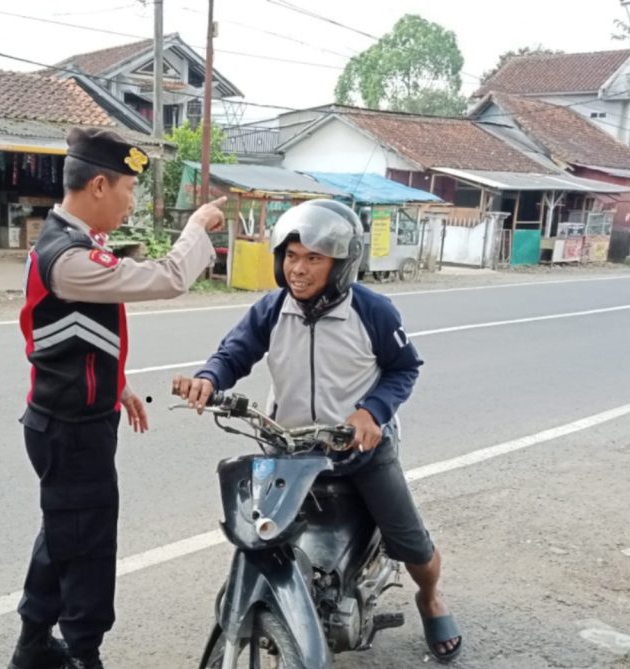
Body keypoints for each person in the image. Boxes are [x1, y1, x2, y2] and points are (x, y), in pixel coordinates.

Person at [172, 200, 462, 664]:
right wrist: (208, 379)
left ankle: (430, 598)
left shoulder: (373, 312)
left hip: (360, 452)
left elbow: (404, 369)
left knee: (411, 544)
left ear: (342, 264)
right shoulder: (271, 309)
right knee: (259, 534)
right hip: (286, 451)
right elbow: (233, 354)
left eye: (313, 258)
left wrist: (372, 413)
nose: (298, 270)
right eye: (290, 257)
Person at [8, 127, 226, 669]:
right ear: (99, 186)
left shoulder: (71, 241)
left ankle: (33, 644)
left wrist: (116, 382)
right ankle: (83, 654)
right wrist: (196, 227)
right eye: (130, 189)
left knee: (63, 532)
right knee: (87, 548)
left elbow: (70, 334)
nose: (132, 202)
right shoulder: (68, 256)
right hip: (71, 430)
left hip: (70, 419)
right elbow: (169, 277)